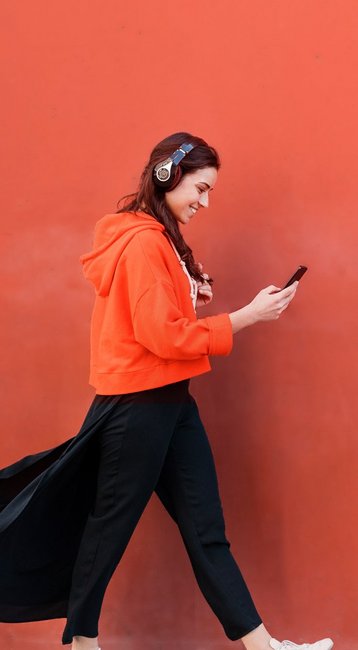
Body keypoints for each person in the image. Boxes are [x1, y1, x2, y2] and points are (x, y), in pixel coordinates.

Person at [0, 132, 333, 650]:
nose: (205, 202)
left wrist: (190, 291)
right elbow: (163, 337)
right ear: (166, 175)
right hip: (138, 407)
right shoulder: (143, 243)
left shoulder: (160, 239)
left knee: (205, 530)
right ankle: (82, 643)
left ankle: (263, 647)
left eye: (210, 192)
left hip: (170, 402)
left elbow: (159, 325)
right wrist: (246, 317)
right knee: (108, 529)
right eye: (200, 189)